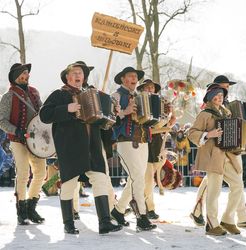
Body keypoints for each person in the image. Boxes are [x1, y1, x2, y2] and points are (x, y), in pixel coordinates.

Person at [39, 61, 122, 235]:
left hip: (92, 146)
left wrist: (114, 113)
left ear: (84, 77)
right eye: (74, 72)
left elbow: (104, 122)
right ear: (67, 77)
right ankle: (68, 223)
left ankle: (105, 222)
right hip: (70, 147)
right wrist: (67, 108)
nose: (78, 75)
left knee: (99, 179)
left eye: (81, 73)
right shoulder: (59, 95)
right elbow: (44, 115)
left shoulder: (92, 95)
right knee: (69, 184)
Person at [190, 75, 246, 230]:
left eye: (222, 95)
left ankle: (228, 219)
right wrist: (208, 135)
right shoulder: (205, 114)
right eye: (217, 95)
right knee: (214, 192)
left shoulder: (227, 113)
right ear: (210, 97)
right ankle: (211, 224)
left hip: (227, 156)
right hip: (212, 157)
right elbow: (192, 132)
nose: (220, 98)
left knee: (237, 184)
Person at [110, 67, 157, 231]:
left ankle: (118, 211)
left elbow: (150, 119)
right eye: (130, 76)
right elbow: (109, 120)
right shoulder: (116, 96)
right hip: (125, 140)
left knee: (136, 178)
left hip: (143, 140)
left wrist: (162, 115)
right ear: (123, 79)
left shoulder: (140, 97)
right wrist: (125, 112)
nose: (134, 79)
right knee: (137, 177)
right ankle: (142, 217)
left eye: (136, 76)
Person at [0, 63, 46, 225]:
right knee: (23, 173)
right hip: (18, 140)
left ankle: (31, 206)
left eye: (26, 73)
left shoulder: (34, 92)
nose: (25, 75)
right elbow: (1, 121)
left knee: (41, 172)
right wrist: (17, 131)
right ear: (14, 77)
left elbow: (42, 113)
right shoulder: (8, 96)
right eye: (21, 73)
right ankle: (21, 210)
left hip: (36, 140)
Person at [136, 79, 176, 219]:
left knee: (153, 177)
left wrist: (170, 118)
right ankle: (148, 208)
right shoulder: (138, 101)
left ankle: (143, 204)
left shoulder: (161, 102)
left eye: (152, 87)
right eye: (147, 87)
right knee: (147, 178)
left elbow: (167, 120)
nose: (150, 89)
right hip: (143, 139)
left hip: (157, 141)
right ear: (142, 89)